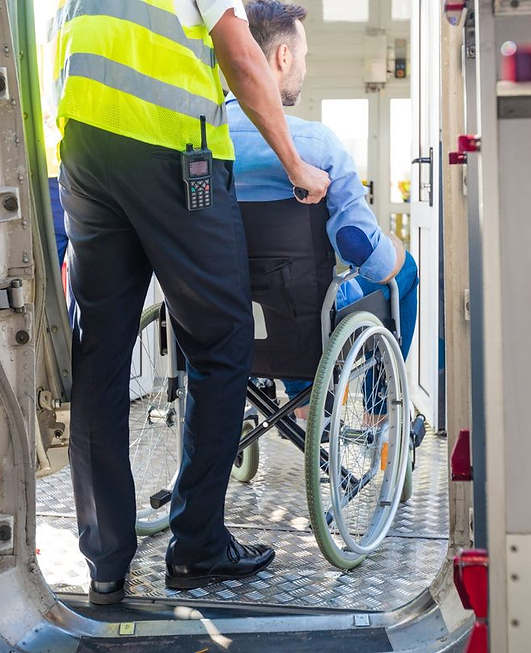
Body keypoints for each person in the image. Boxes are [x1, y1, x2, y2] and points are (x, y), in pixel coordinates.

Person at [54, 0, 331, 605]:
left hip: (83, 158)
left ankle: (105, 561)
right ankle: (197, 545)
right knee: (221, 344)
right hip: (172, 156)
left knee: (99, 357)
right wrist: (296, 163)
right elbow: (239, 54)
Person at [232, 0, 420, 413]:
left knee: (276, 288)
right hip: (300, 322)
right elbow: (358, 247)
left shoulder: (199, 139)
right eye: (303, 57)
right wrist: (392, 253)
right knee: (399, 271)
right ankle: (372, 411)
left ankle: (296, 393)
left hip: (220, 316)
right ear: (283, 57)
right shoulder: (316, 146)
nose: (304, 66)